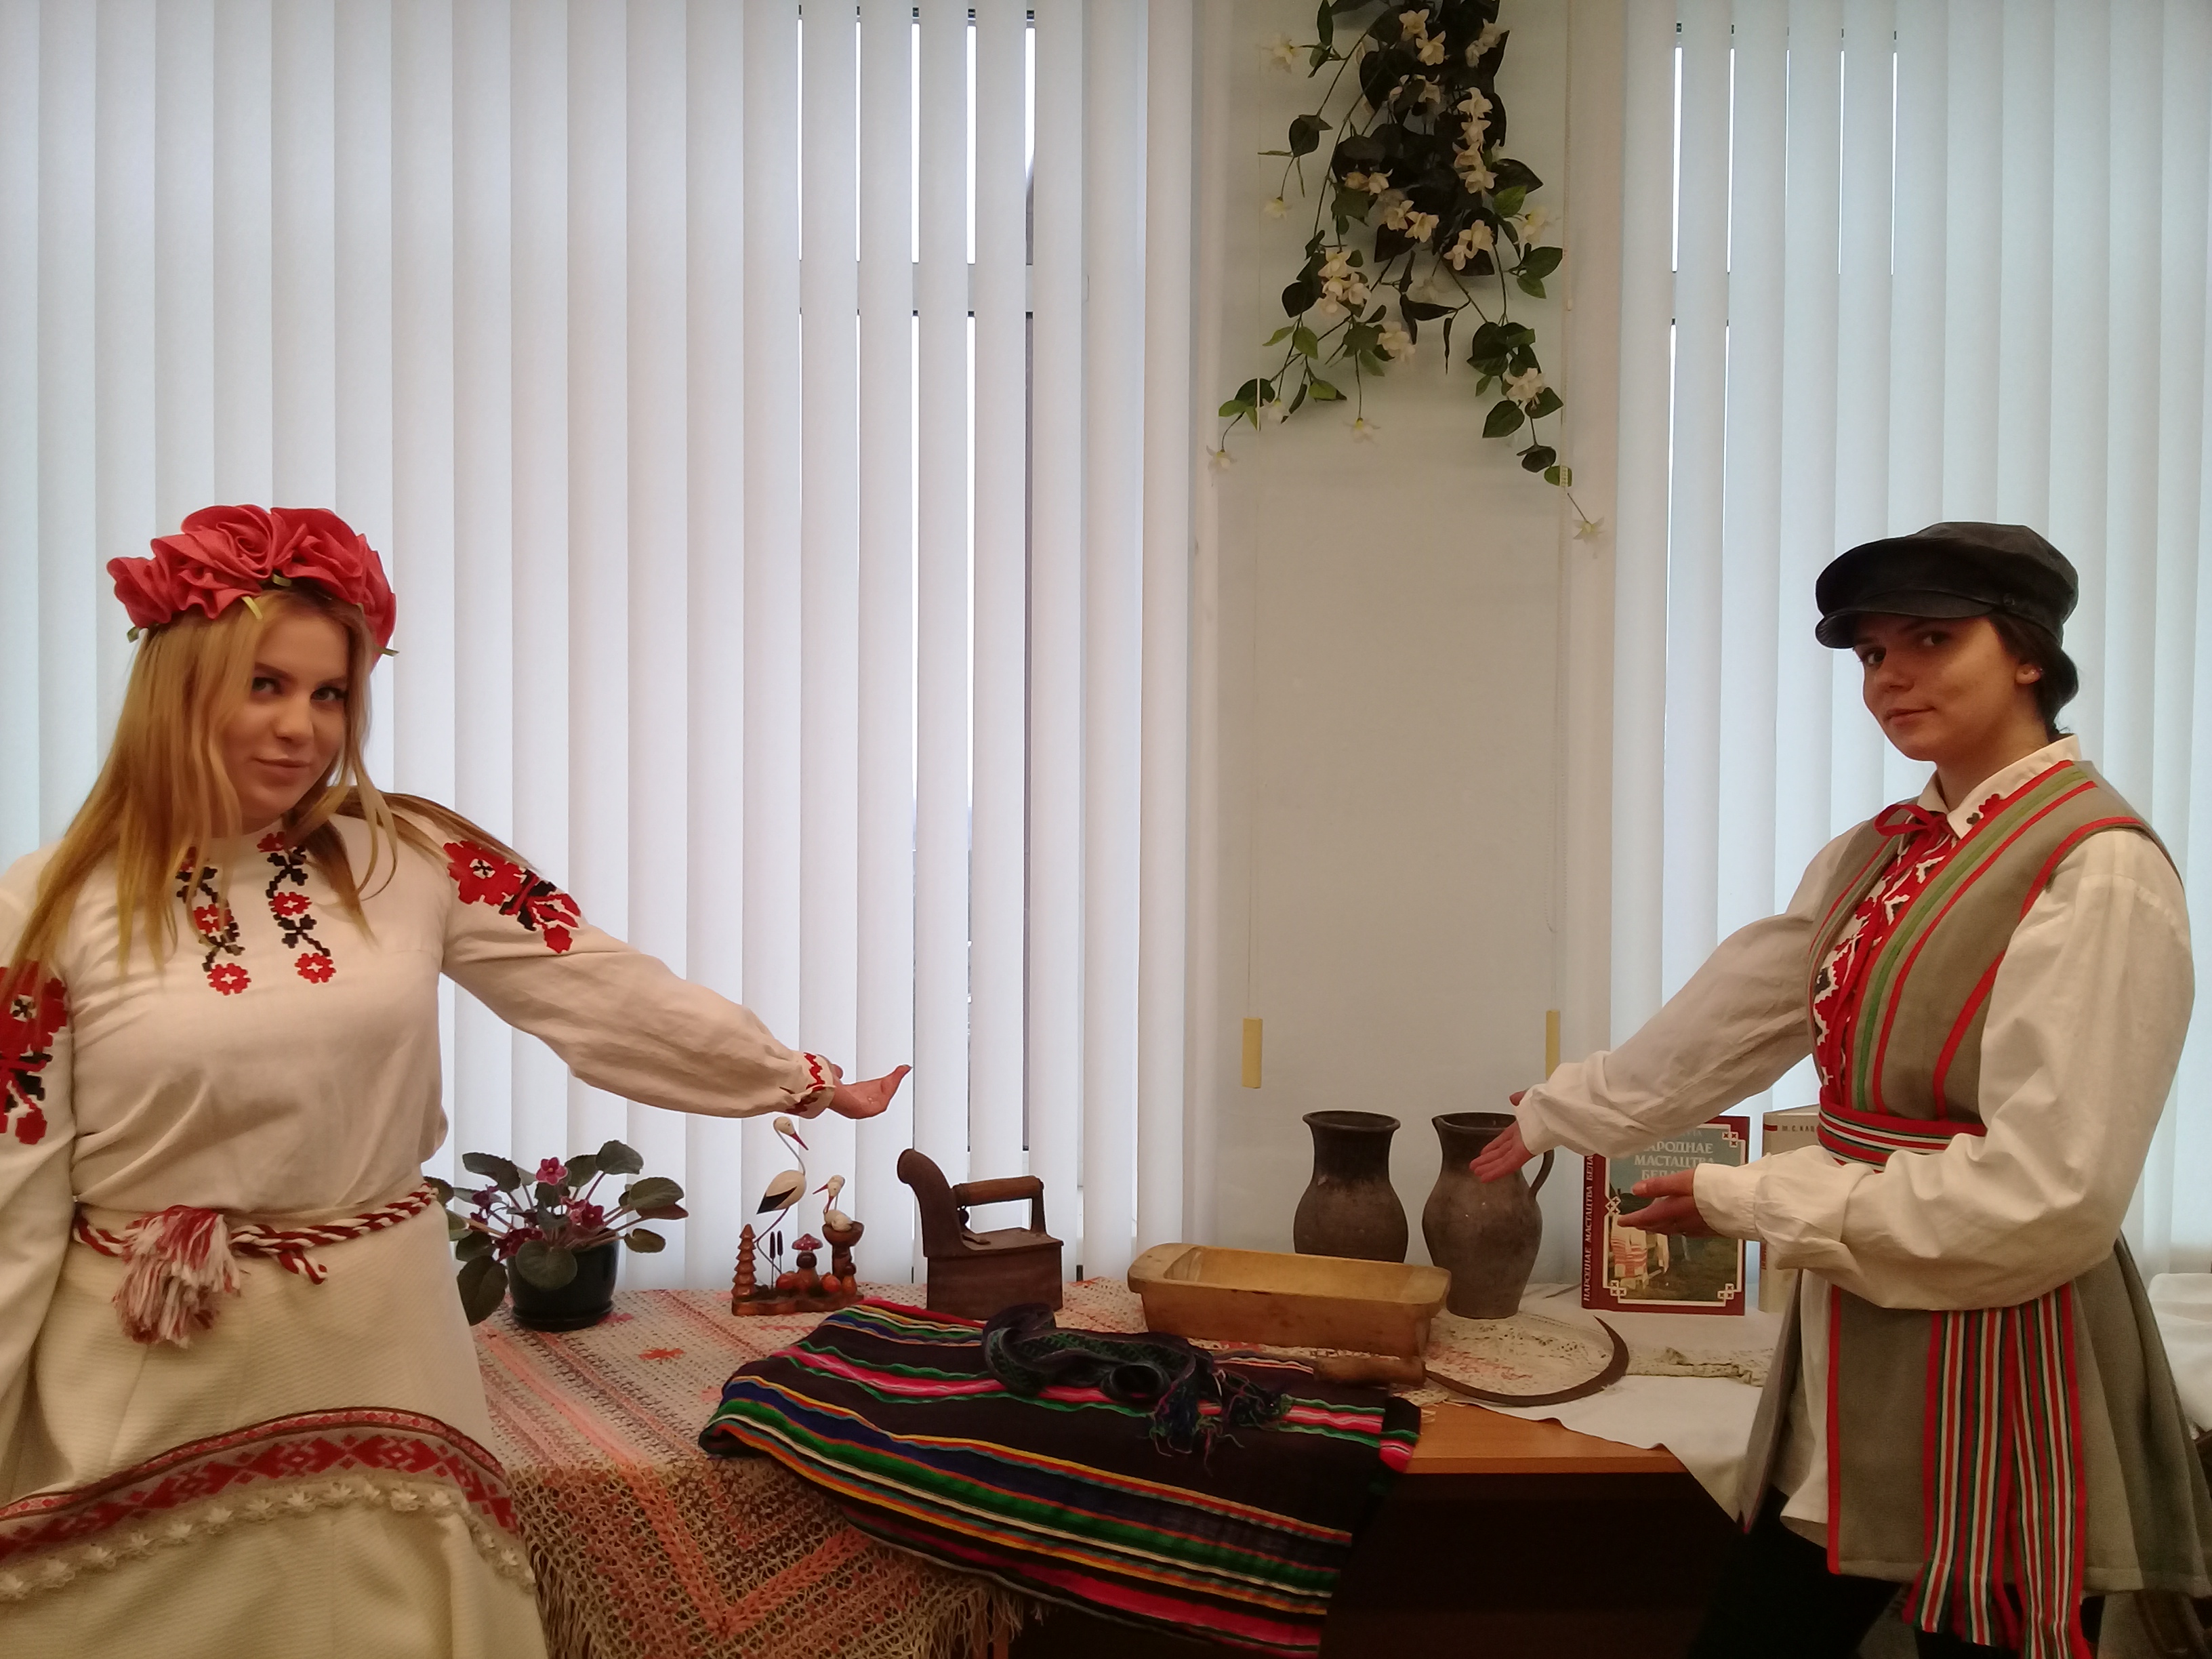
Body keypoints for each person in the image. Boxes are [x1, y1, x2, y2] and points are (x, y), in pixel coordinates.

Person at [0, 506, 907, 1658]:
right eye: (264, 685)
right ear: (175, 687)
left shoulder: (410, 857)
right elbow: (13, 1190)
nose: (301, 727)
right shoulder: (48, 904)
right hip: (151, 1353)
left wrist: (793, 1078)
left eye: (331, 694)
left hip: (381, 1340)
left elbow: (599, 988)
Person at [1474, 523, 2212, 1658]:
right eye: (1871, 653)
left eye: (1931, 640)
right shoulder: (1883, 852)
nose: (1890, 677)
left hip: (2005, 1340)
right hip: (1861, 1330)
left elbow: (2051, 1195)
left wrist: (1749, 1199)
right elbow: (1739, 1016)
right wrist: (1559, 1113)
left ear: (2029, 655)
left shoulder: (2097, 867)